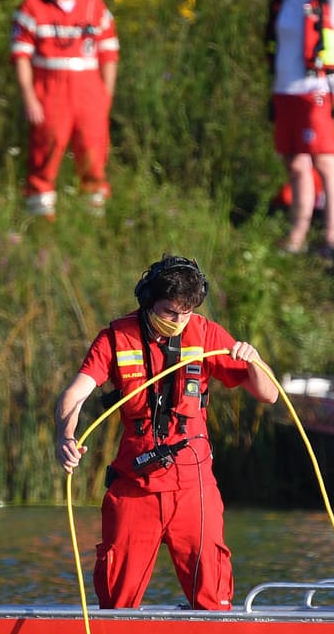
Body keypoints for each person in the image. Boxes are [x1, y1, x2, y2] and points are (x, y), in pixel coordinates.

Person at [54, 255, 279, 610]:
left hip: (194, 484)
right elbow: (74, 395)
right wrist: (65, 437)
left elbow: (269, 394)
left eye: (185, 313)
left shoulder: (206, 332)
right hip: (135, 483)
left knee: (212, 593)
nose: (177, 321)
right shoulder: (115, 338)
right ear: (147, 301)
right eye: (169, 312)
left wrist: (254, 359)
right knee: (117, 597)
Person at [255, 0, 334, 257]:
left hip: (316, 91)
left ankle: (332, 238)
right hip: (285, 91)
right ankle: (297, 234)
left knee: (325, 161)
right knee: (296, 164)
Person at [11, 0, 119, 220]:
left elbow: (109, 55)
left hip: (89, 91)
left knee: (94, 155)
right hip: (50, 91)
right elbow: (21, 56)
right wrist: (29, 97)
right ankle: (40, 219)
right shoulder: (33, 7)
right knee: (45, 153)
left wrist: (105, 96)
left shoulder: (95, 8)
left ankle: (93, 219)